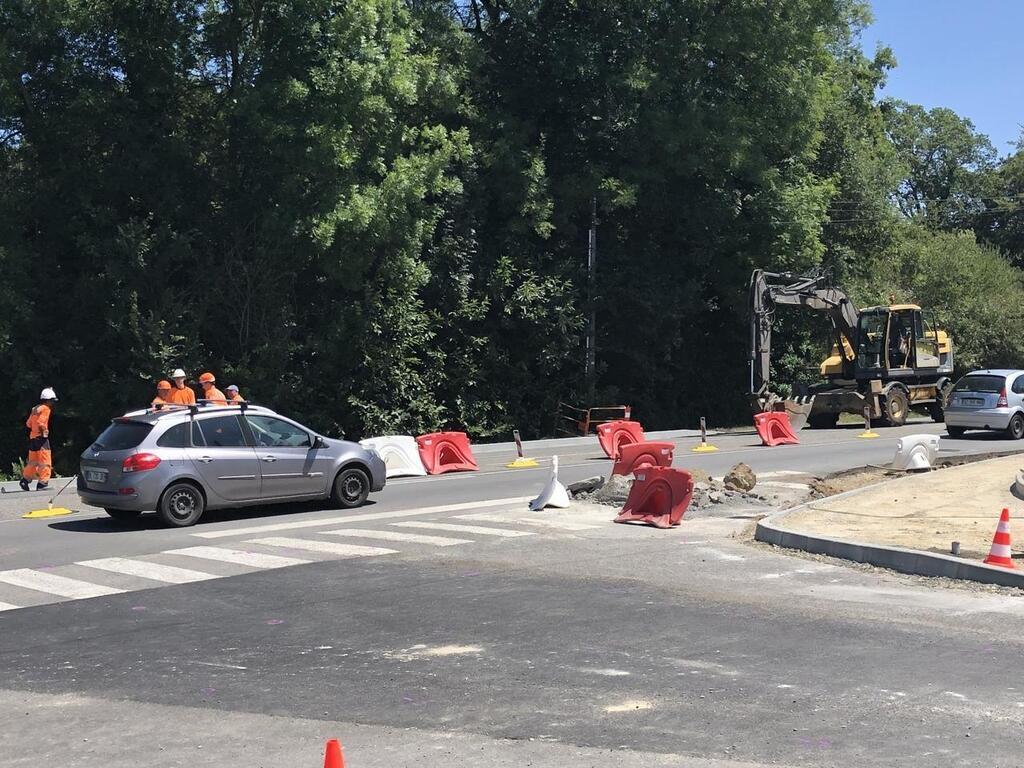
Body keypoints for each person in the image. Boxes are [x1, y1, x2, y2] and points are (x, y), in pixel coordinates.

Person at [21, 388, 57, 492]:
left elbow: (28, 424)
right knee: (45, 461)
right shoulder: (46, 409)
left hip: (33, 439)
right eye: (52, 400)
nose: (53, 403)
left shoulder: (35, 409)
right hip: (41, 439)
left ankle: (25, 480)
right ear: (48, 400)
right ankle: (42, 483)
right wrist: (44, 431)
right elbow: (41, 422)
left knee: (33, 461)